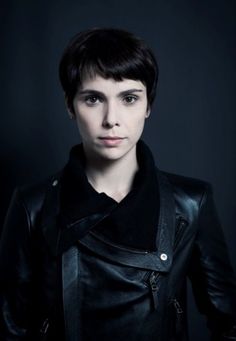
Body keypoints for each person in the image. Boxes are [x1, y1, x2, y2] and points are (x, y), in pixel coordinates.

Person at [0, 28, 235, 341]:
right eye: (94, 99)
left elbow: (229, 323)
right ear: (70, 106)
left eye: (129, 98)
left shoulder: (191, 203)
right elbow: (10, 329)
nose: (112, 119)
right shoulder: (33, 206)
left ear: (148, 106)